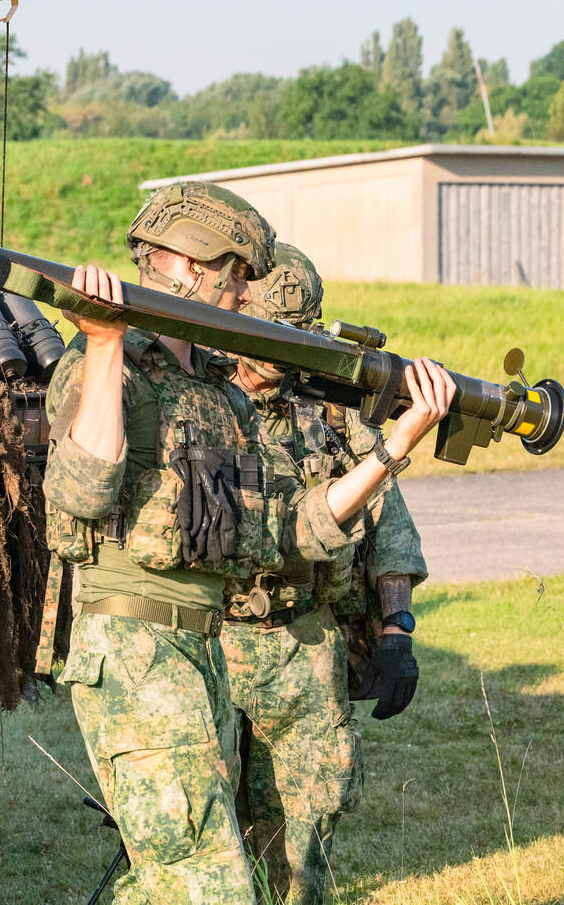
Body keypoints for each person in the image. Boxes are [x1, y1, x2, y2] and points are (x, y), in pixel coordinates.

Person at [41, 182, 454, 904]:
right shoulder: (104, 365)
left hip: (201, 653)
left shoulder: (217, 392)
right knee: (210, 883)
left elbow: (289, 530)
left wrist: (391, 450)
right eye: (236, 281)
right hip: (135, 646)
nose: (241, 301)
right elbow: (81, 492)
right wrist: (104, 342)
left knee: (188, 878)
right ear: (194, 269)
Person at [221, 241, 431, 904]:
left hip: (307, 643)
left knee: (312, 814)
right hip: (213, 639)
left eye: (291, 340)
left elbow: (387, 524)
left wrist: (396, 629)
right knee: (214, 827)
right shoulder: (198, 404)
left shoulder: (332, 412)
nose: (271, 361)